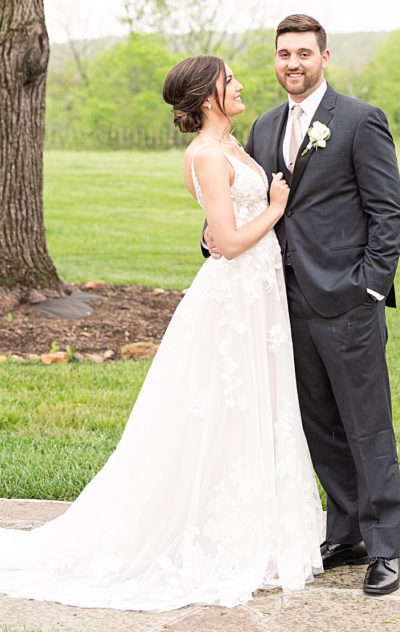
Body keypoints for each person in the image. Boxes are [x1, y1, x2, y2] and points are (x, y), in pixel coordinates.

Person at [0, 55, 323, 611]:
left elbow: (214, 230)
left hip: (256, 296)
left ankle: (259, 530)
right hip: (234, 300)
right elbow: (226, 239)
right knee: (225, 407)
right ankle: (210, 535)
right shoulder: (204, 154)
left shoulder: (232, 146)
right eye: (229, 81)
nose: (240, 84)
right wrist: (275, 208)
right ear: (206, 97)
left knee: (251, 408)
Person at [204, 14, 400, 596]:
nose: (292, 63)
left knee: (366, 426)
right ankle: (346, 533)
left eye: (303, 54)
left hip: (346, 301)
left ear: (324, 57)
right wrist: (213, 236)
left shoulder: (360, 121)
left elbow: (387, 212)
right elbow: (249, 205)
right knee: (318, 425)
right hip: (282, 305)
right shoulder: (264, 127)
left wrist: (369, 285)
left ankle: (385, 547)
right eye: (283, 54)